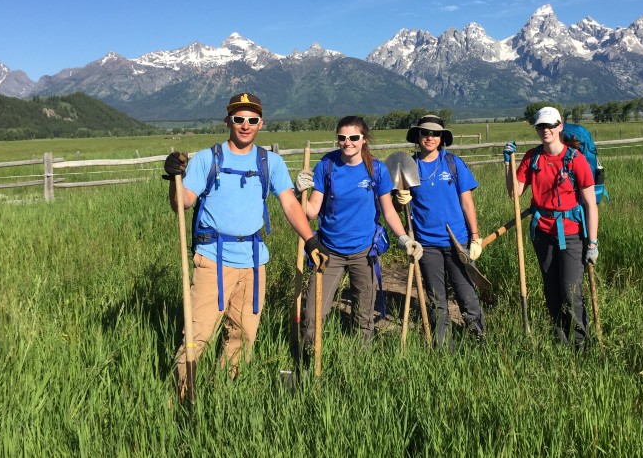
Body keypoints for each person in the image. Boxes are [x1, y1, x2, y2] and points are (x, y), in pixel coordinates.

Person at [162, 92, 325, 397]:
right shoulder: (207, 158)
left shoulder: (270, 162)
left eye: (252, 119)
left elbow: (290, 205)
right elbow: (182, 203)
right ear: (228, 121)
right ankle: (182, 400)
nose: (245, 125)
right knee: (197, 335)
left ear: (260, 123)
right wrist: (176, 179)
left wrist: (311, 239)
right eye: (239, 119)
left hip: (253, 261)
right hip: (212, 260)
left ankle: (227, 395)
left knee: (244, 334)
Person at [294, 116, 422, 350]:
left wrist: (404, 238)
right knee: (313, 314)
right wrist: (297, 192)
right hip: (328, 252)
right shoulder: (327, 165)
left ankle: (361, 360)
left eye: (353, 137)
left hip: (364, 253)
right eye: (342, 138)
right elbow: (311, 211)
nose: (347, 142)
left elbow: (389, 212)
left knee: (363, 317)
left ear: (364, 139)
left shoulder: (377, 169)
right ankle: (307, 360)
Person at [503, 106, 599, 349]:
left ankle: (580, 344)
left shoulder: (576, 160)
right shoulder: (531, 157)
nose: (545, 130)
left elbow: (590, 203)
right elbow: (514, 194)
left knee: (571, 291)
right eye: (540, 126)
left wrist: (593, 243)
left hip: (571, 234)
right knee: (552, 290)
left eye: (549, 126)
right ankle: (561, 341)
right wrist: (507, 163)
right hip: (542, 233)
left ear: (560, 127)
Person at [393, 114, 485, 348]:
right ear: (418, 136)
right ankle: (443, 346)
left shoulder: (453, 164)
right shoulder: (407, 166)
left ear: (442, 138)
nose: (430, 137)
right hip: (426, 242)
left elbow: (467, 202)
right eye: (425, 133)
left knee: (466, 294)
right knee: (436, 298)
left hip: (457, 241)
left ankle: (478, 340)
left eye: (435, 133)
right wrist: (399, 199)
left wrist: (475, 237)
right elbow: (394, 207)